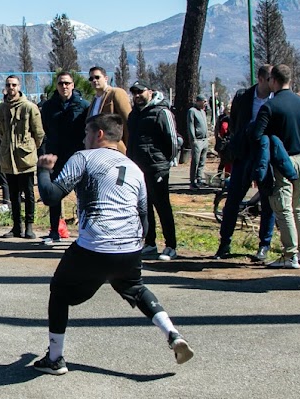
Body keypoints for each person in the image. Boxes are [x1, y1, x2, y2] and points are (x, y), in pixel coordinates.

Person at [32, 112, 192, 375]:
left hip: (95, 245)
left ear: (99, 135)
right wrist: (136, 245)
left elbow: (51, 197)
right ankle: (172, 333)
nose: (84, 138)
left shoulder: (83, 158)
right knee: (136, 288)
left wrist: (43, 170)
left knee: (59, 292)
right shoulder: (134, 168)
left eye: (86, 133)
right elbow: (144, 215)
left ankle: (55, 358)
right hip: (129, 246)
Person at [249, 64, 300, 268]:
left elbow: (256, 135)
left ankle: (289, 254)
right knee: (299, 207)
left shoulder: (270, 106)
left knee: (283, 208)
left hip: (280, 161)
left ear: (273, 81)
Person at [214, 65, 276, 261]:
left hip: (265, 154)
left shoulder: (277, 99)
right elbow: (234, 123)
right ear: (260, 79)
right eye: (269, 78)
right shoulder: (243, 97)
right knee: (232, 200)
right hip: (243, 154)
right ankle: (225, 243)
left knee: (267, 201)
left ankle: (264, 246)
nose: (273, 82)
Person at [127, 81, 179, 261]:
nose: (137, 95)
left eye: (140, 92)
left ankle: (171, 245)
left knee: (162, 206)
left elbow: (172, 140)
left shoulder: (161, 112)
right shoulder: (134, 115)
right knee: (143, 206)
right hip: (138, 168)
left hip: (157, 168)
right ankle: (150, 243)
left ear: (150, 91)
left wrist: (167, 161)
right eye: (134, 93)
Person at [0, 75, 45, 239]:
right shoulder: (1, 109)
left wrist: (29, 147)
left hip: (25, 158)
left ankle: (29, 226)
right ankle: (16, 226)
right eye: (8, 85)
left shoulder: (29, 107)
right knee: (13, 195)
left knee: (28, 193)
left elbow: (39, 133)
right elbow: (0, 132)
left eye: (14, 85)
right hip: (8, 157)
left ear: (19, 86)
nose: (11, 87)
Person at [39, 73, 89, 245]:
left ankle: (84, 232)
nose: (64, 86)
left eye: (67, 83)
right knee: (54, 195)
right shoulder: (48, 107)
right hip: (56, 156)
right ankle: (54, 231)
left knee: (82, 195)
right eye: (61, 83)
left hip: (77, 156)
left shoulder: (83, 105)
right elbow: (46, 128)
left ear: (73, 85)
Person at [85, 66, 132, 143]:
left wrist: (128, 144)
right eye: (91, 78)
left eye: (97, 77)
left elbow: (128, 120)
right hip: (96, 145)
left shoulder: (116, 93)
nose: (94, 80)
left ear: (106, 78)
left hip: (114, 144)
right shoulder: (94, 99)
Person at [186, 95, 210, 188]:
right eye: (204, 101)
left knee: (202, 161)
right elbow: (190, 126)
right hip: (197, 140)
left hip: (204, 140)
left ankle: (199, 178)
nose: (205, 104)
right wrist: (193, 139)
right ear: (198, 101)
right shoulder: (192, 111)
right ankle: (192, 181)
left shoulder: (203, 112)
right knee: (195, 161)